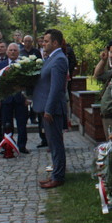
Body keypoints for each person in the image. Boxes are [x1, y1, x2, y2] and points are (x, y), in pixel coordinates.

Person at [35, 29, 70, 189]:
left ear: (55, 43)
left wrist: (48, 109)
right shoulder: (51, 58)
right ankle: (56, 173)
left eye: (46, 41)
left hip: (53, 109)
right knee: (52, 143)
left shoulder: (59, 59)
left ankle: (58, 176)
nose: (43, 43)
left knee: (56, 144)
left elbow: (56, 87)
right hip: (47, 107)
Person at [0, 43, 30, 153]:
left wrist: (28, 97)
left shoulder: (24, 65)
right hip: (6, 99)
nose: (12, 52)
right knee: (6, 124)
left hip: (21, 98)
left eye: (15, 50)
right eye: (10, 50)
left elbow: (29, 83)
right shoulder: (0, 65)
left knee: (22, 124)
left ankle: (22, 146)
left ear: (18, 52)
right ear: (7, 52)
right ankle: (7, 146)